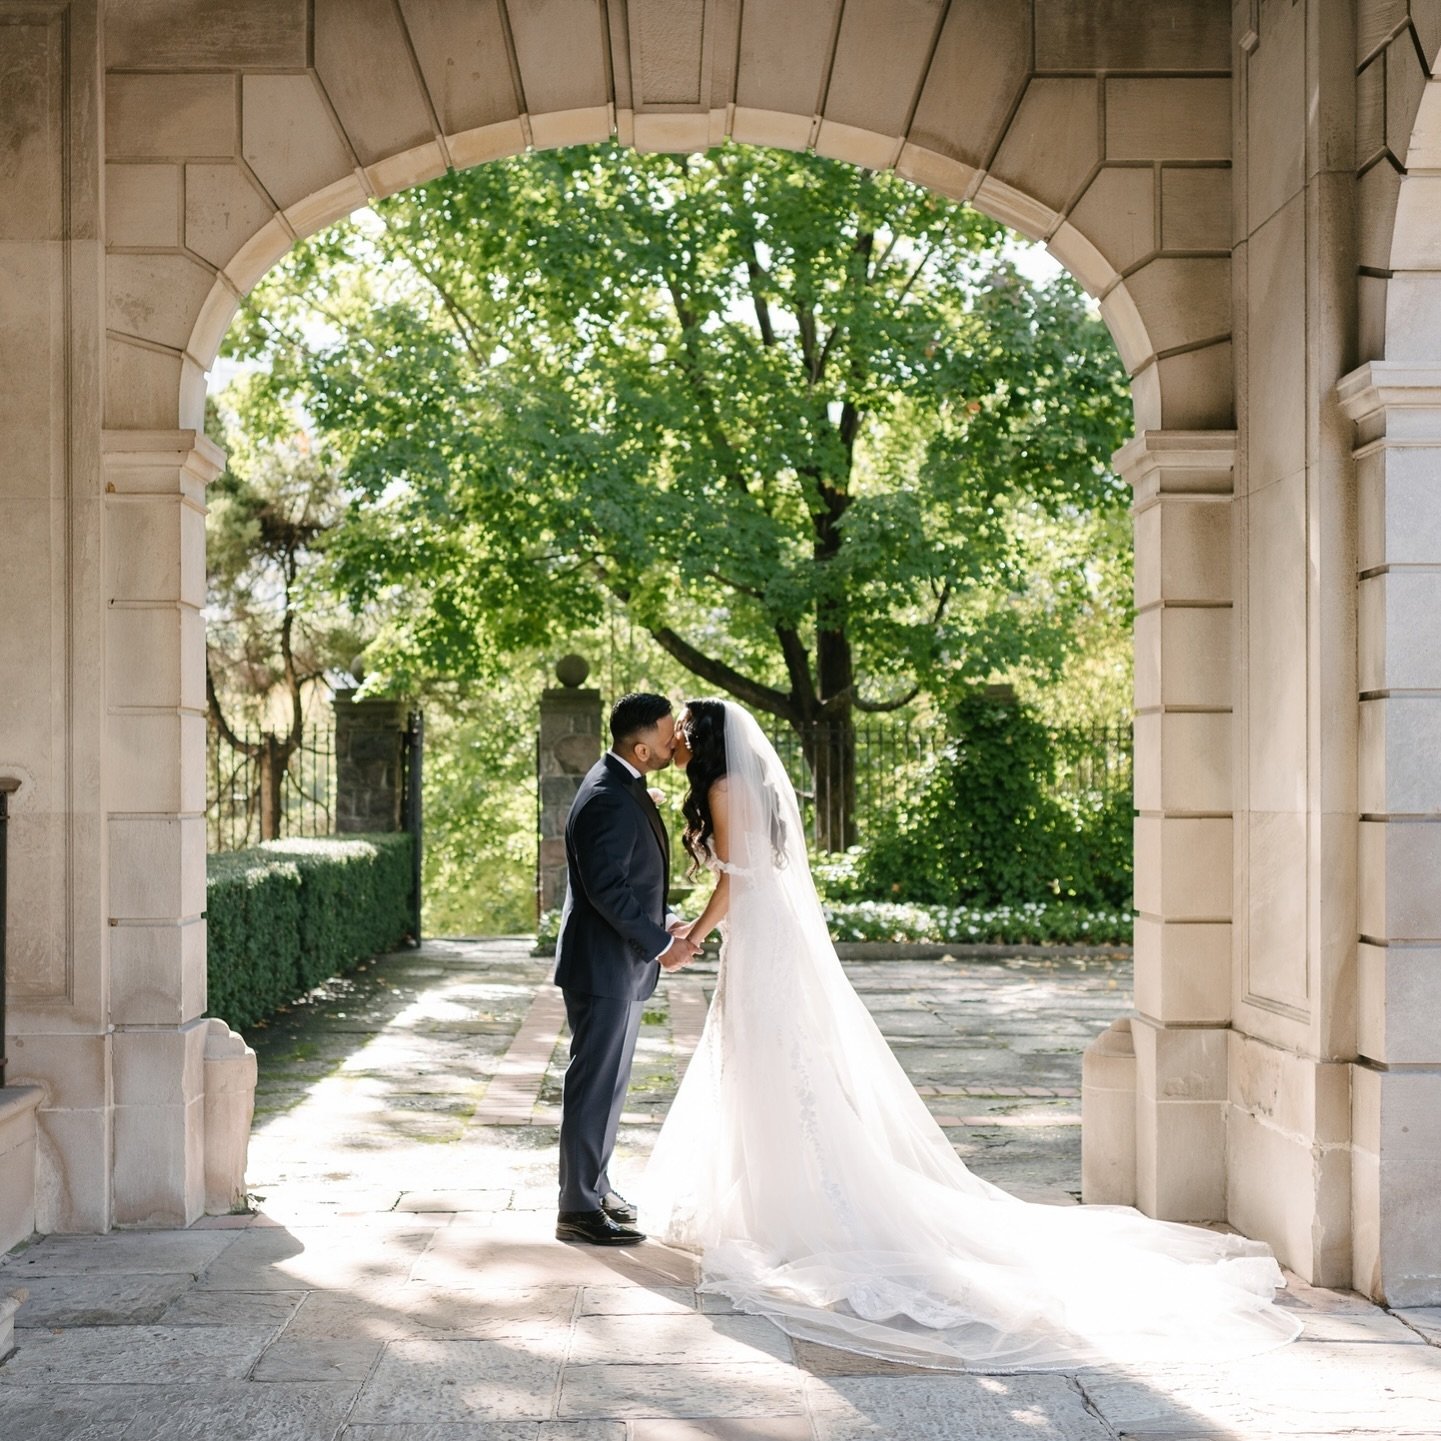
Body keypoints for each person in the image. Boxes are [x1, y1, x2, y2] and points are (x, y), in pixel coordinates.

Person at [640, 697, 1304, 1371]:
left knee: (770, 1068)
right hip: (762, 942)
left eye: (685, 730)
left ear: (710, 740)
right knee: (774, 1070)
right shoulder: (732, 787)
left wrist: (690, 936)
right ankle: (770, 1195)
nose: (678, 739)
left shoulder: (723, 789)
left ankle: (788, 1208)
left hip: (757, 945)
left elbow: (738, 881)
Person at [553, 692, 700, 1246]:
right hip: (603, 966)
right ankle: (577, 1208)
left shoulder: (622, 785)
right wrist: (662, 945)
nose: (674, 743)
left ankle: (594, 1186)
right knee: (593, 1085)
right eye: (667, 737)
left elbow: (630, 878)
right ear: (641, 747)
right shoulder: (606, 797)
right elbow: (607, 891)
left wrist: (669, 921)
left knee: (610, 1086)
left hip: (619, 964)